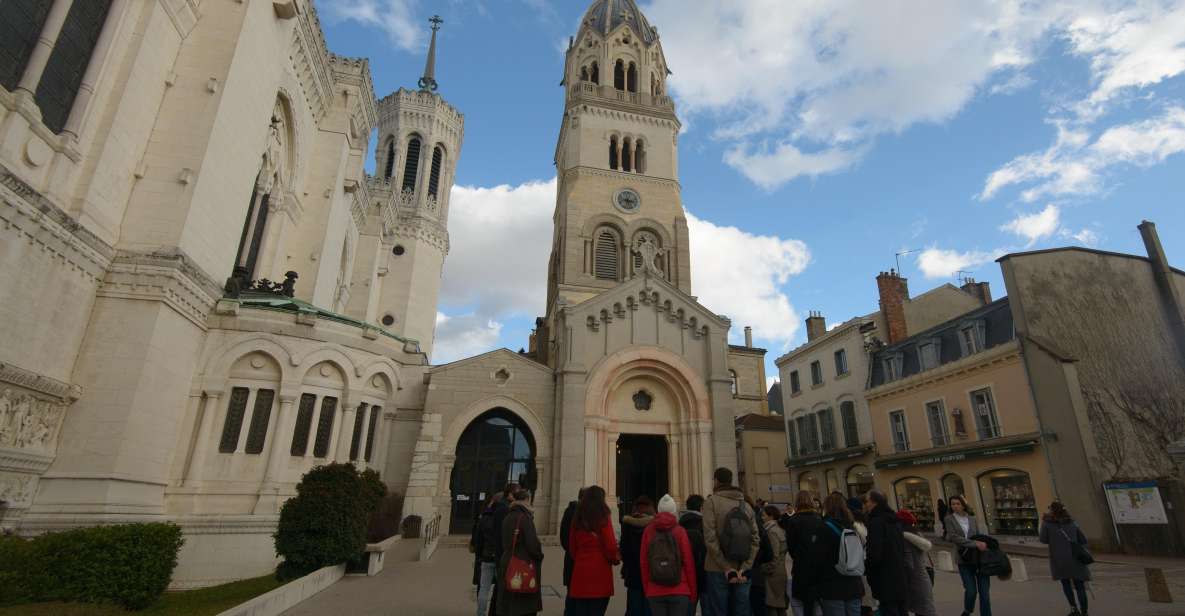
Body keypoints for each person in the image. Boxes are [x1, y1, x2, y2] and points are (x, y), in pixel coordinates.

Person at [702, 467, 760, 616]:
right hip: (742, 568)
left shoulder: (711, 502)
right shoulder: (746, 505)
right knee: (741, 610)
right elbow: (755, 539)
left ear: (716, 481)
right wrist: (746, 566)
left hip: (717, 568)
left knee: (719, 610)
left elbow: (710, 538)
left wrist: (726, 567)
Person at [641, 494, 699, 616]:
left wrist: (648, 588)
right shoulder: (680, 531)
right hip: (680, 589)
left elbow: (644, 562)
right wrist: (693, 592)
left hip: (655, 589)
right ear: (674, 510)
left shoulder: (648, 531)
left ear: (658, 510)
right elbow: (688, 563)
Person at [567, 486, 619, 616]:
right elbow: (611, 545)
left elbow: (572, 548)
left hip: (580, 572)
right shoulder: (603, 516)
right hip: (600, 572)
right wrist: (614, 558)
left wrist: (580, 558)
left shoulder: (577, 517)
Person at [1040, 501, 1091, 616]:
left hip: (1059, 560)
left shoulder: (1047, 523)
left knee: (1066, 584)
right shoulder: (1072, 522)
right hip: (1076, 558)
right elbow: (1083, 539)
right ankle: (1084, 612)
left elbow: (1043, 539)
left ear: (1051, 510)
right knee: (1080, 586)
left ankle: (1074, 609)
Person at [497, 489, 543, 616]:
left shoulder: (508, 516)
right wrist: (539, 555)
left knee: (510, 603)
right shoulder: (524, 518)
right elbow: (532, 544)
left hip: (508, 561)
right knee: (523, 606)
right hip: (522, 565)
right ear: (526, 500)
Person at [817, 494, 864, 616]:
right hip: (854, 582)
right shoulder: (852, 526)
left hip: (832, 586)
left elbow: (819, 558)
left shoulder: (823, 527)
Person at [944, 495, 992, 616]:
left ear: (963, 505)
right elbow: (954, 537)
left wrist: (985, 544)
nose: (955, 506)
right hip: (963, 559)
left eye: (957, 504)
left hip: (979, 559)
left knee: (984, 593)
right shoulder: (949, 519)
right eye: (952, 504)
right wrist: (974, 544)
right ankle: (967, 611)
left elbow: (978, 535)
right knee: (971, 591)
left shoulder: (972, 519)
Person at [862, 491, 908, 616]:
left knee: (889, 609)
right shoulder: (894, 519)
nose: (865, 505)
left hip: (884, 576)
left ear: (873, 502)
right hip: (899, 574)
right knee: (901, 609)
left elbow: (874, 552)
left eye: (866, 501)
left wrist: (866, 568)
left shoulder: (876, 522)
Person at [784, 491, 823, 616]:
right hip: (818, 565)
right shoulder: (818, 518)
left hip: (801, 566)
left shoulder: (794, 520)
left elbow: (791, 546)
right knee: (818, 600)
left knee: (805, 603)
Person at [896, 509, 936, 616]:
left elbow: (908, 562)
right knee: (925, 610)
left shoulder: (904, 539)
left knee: (923, 610)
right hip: (923, 578)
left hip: (913, 581)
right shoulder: (917, 534)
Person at [622, 496, 657, 616]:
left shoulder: (627, 524)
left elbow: (624, 550)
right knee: (649, 608)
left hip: (633, 573)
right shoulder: (655, 525)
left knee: (633, 606)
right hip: (650, 573)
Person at [488, 483, 517, 616]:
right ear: (510, 494)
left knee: (499, 589)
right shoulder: (505, 510)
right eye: (516, 493)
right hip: (503, 554)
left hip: (500, 553)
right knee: (502, 589)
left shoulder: (500, 509)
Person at [471, 493, 502, 616]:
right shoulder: (503, 518)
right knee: (500, 588)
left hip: (486, 556)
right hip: (499, 557)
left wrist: (479, 555)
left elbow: (478, 539)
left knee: (483, 588)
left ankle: (480, 613)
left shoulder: (484, 518)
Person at [679, 495, 708, 616]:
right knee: (707, 607)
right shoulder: (706, 524)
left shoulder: (679, 525)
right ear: (701, 507)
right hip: (704, 572)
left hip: (685, 574)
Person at [760, 505, 789, 616]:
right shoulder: (780, 529)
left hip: (772, 573)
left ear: (770, 516)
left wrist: (764, 569)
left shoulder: (771, 531)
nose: (762, 518)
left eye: (764, 515)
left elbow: (774, 555)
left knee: (772, 606)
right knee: (780, 606)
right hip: (781, 570)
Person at [561, 489, 586, 593]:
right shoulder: (584, 514)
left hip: (571, 557)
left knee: (571, 592)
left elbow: (563, 536)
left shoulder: (569, 511)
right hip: (581, 559)